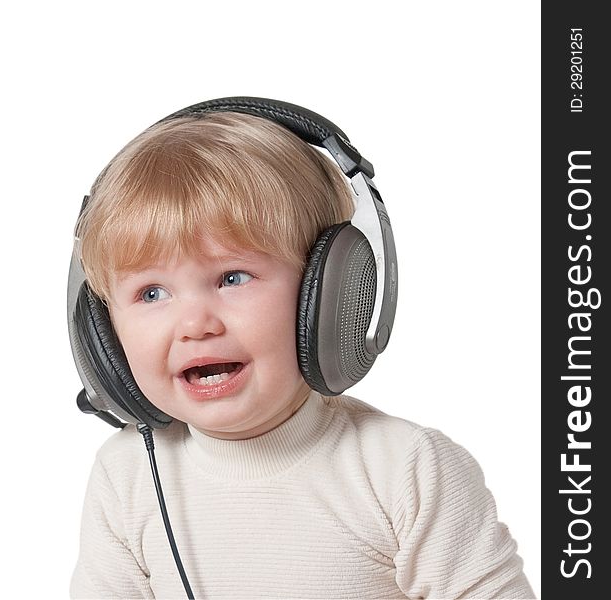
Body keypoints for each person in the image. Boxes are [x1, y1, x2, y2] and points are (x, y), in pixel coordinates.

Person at [69, 105, 535, 599]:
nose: (195, 324)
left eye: (232, 277)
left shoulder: (406, 470)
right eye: (152, 293)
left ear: (330, 294)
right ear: (103, 331)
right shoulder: (127, 477)